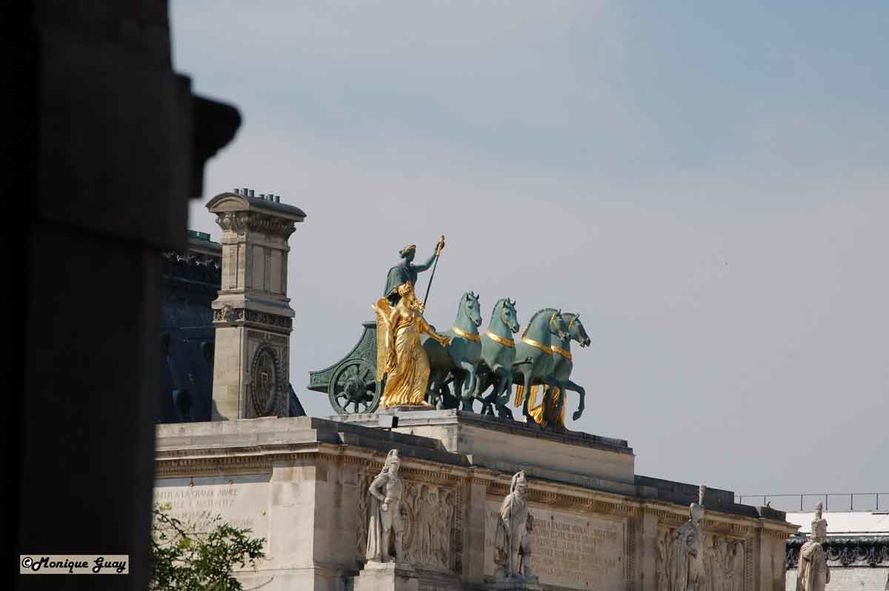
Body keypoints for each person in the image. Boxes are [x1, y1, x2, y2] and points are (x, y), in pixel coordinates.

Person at [373, 282, 450, 407]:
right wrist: (390, 349)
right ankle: (385, 397)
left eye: (412, 291)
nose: (413, 294)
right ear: (404, 294)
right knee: (400, 371)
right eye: (410, 292)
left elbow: (427, 328)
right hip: (403, 342)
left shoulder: (415, 311)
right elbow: (389, 329)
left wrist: (440, 338)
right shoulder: (398, 309)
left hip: (415, 343)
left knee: (424, 369)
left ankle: (417, 398)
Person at [366, 449, 405, 563]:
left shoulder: (398, 480)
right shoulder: (385, 477)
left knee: (399, 532)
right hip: (386, 506)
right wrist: (383, 498)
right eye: (394, 464)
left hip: (396, 507)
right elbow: (372, 488)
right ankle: (385, 555)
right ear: (389, 464)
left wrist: (401, 507)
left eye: (397, 464)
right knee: (386, 531)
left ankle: (400, 558)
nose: (396, 466)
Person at [383, 237, 445, 305]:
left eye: (414, 253)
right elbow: (398, 288)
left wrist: (435, 253)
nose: (414, 255)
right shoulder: (397, 270)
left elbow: (425, 266)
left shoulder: (412, 268)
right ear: (407, 254)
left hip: (410, 301)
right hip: (399, 303)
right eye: (413, 253)